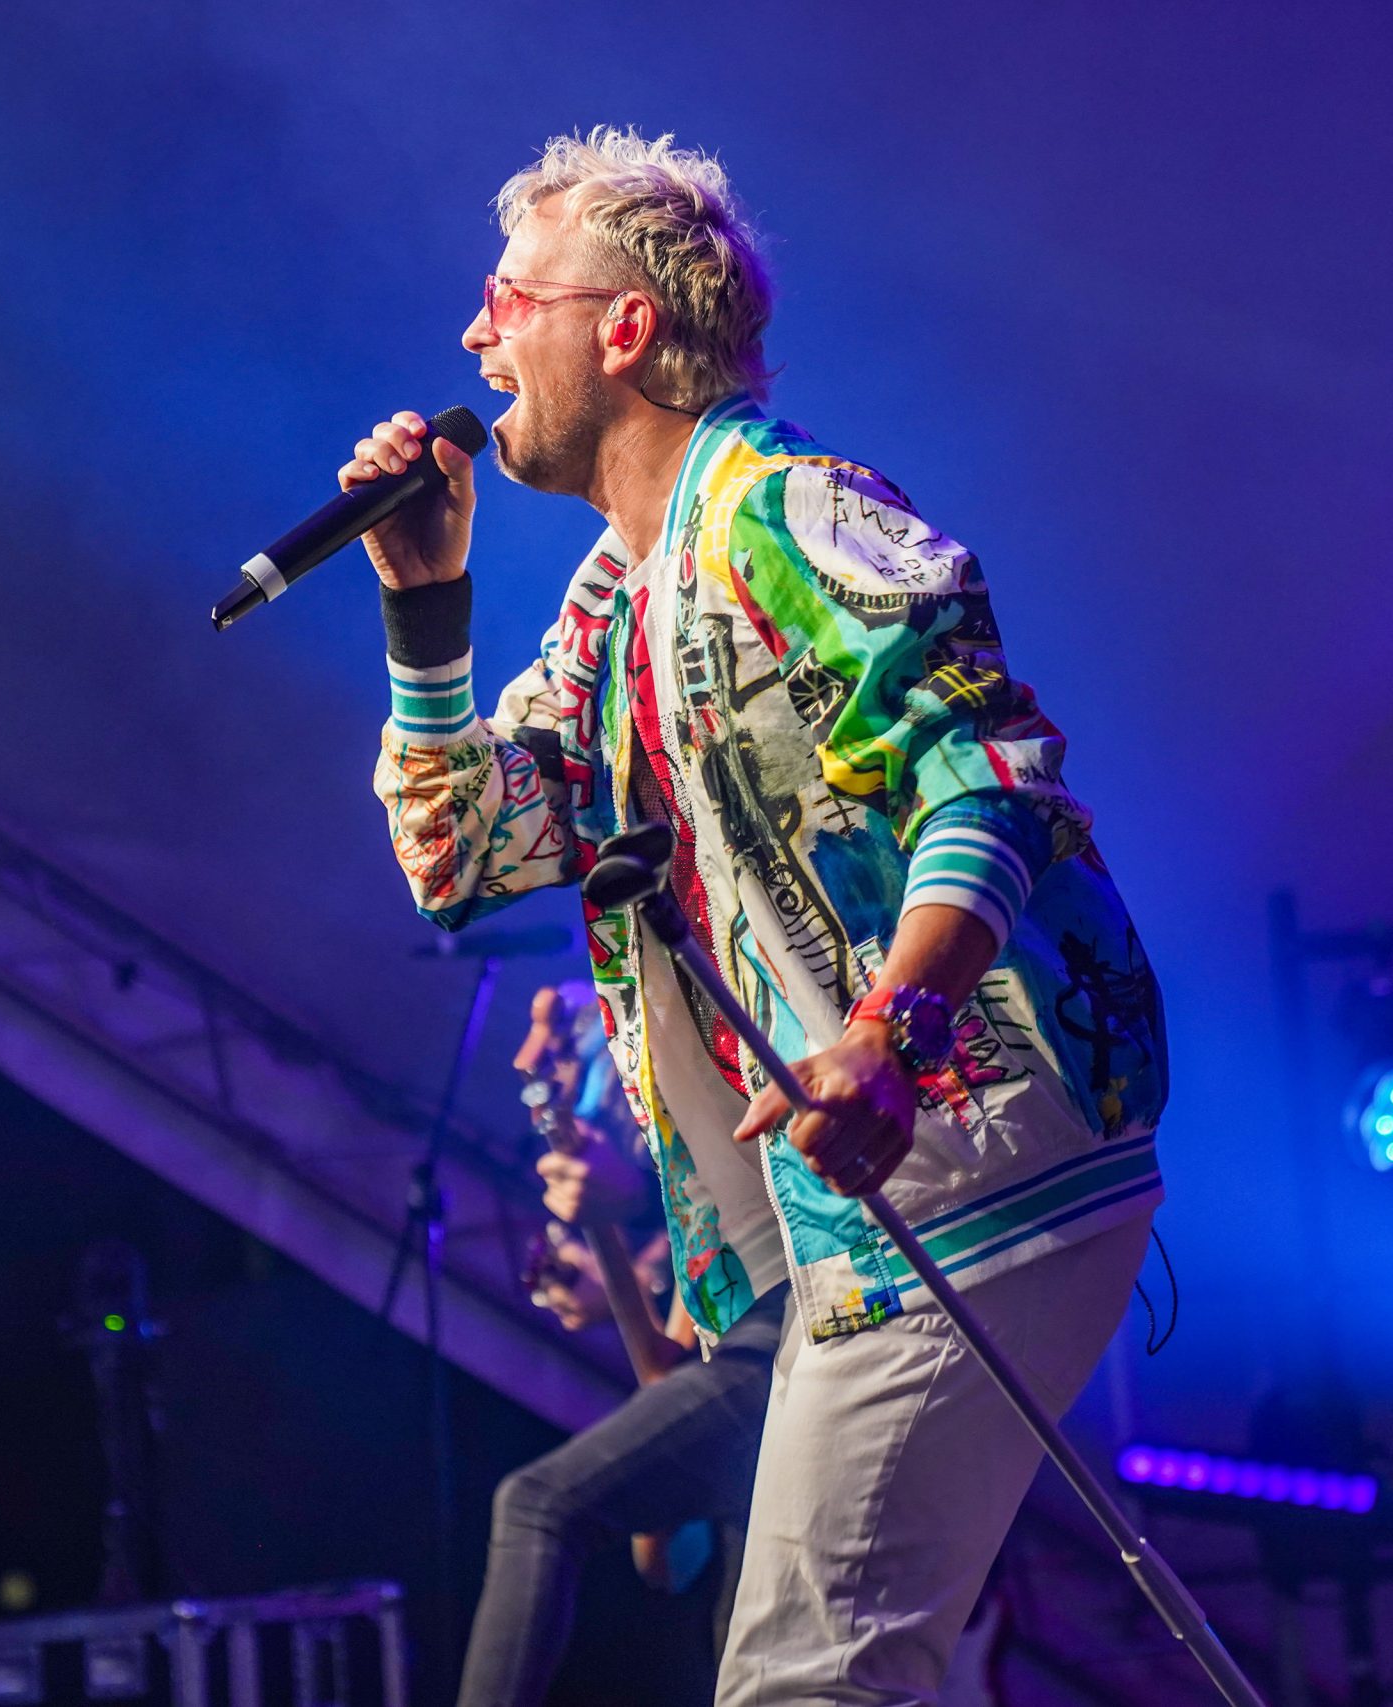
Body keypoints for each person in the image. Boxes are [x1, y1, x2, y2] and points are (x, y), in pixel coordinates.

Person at [355, 127, 1169, 1705]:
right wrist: (424, 606)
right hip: (858, 1211)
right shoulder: (615, 599)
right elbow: (465, 855)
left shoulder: (790, 510)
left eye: (507, 297)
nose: (472, 335)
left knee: (809, 1675)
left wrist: (888, 1033)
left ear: (624, 327)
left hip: (974, 1157)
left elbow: (992, 770)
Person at [457, 982, 778, 1707]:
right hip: (757, 1381)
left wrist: (630, 1223)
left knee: (537, 1504)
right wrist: (619, 1278)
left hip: (792, 1343)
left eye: (556, 1042)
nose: (531, 1057)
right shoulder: (642, 1140)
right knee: (752, 1669)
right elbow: (671, 1356)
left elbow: (735, 1231)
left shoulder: (691, 1078)